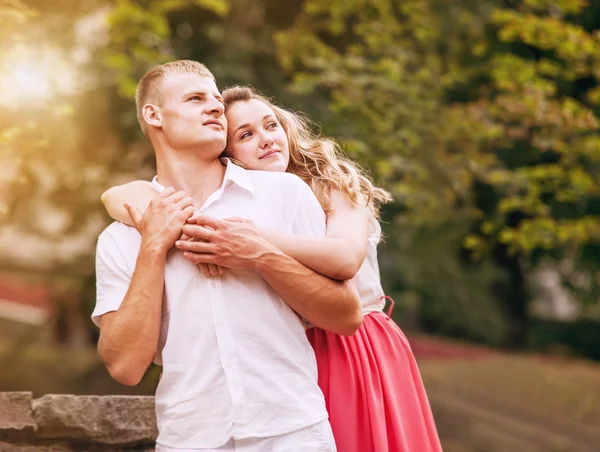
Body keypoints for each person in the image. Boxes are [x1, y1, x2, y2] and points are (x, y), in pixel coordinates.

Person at [103, 84, 443, 452]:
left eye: (271, 125)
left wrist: (248, 242)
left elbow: (344, 259)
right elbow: (119, 195)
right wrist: (190, 230)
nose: (265, 140)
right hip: (292, 351)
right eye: (246, 135)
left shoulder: (326, 186)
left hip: (356, 346)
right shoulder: (240, 204)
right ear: (227, 156)